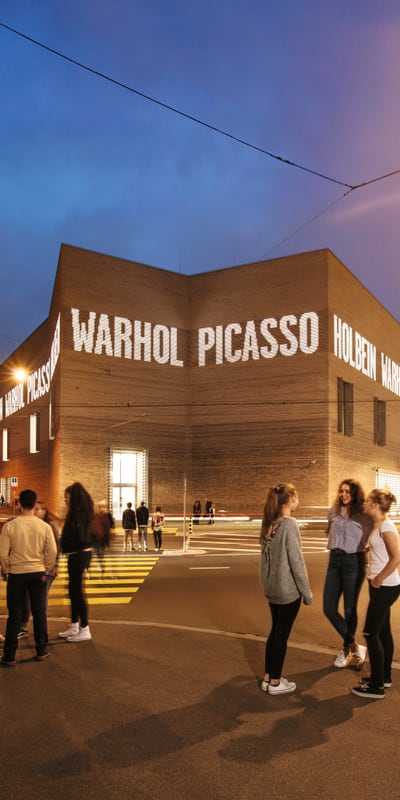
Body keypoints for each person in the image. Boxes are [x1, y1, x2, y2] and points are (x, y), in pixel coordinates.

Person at [260, 483, 313, 695]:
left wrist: (266, 584)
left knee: (274, 632)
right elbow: (296, 562)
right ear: (290, 500)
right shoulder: (289, 524)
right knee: (282, 636)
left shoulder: (269, 522)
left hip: (272, 589)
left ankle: (268, 677)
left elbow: (263, 561)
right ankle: (275, 683)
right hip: (288, 590)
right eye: (296, 497)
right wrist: (307, 593)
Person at [351, 488, 400, 700]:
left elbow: (397, 557)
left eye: (368, 501)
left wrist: (378, 578)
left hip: (385, 586)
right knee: (383, 632)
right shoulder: (378, 525)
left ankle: (377, 686)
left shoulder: (387, 526)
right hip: (381, 586)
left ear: (376, 505)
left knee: (371, 633)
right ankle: (384, 677)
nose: (364, 503)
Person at [0, 488, 57, 666]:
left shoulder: (10, 526)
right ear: (34, 504)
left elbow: (2, 554)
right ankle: (41, 650)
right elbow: (52, 551)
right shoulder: (44, 526)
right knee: (39, 612)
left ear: (19, 504)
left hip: (17, 574)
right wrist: (45, 567)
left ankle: (9, 655)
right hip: (37, 573)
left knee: (15, 613)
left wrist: (7, 569)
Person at [323, 479, 372, 670]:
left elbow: (372, 535)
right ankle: (355, 646)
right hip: (335, 561)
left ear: (355, 494)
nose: (344, 494)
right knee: (328, 608)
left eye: (348, 491)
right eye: (341, 491)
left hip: (355, 562)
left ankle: (345, 651)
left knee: (349, 609)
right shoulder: (333, 511)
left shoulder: (364, 514)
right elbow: (328, 531)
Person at [59, 482, 94, 642]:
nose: (65, 502)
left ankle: (84, 628)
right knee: (72, 590)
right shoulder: (82, 513)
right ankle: (74, 625)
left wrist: (63, 544)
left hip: (78, 555)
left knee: (77, 592)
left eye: (67, 499)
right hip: (78, 555)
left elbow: (80, 538)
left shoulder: (77, 515)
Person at [92, 502, 113, 570]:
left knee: (99, 552)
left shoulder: (105, 517)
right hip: (95, 538)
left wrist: (107, 542)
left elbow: (107, 529)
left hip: (101, 539)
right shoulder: (95, 516)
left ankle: (100, 564)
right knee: (97, 552)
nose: (103, 508)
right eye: (101, 507)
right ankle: (98, 564)